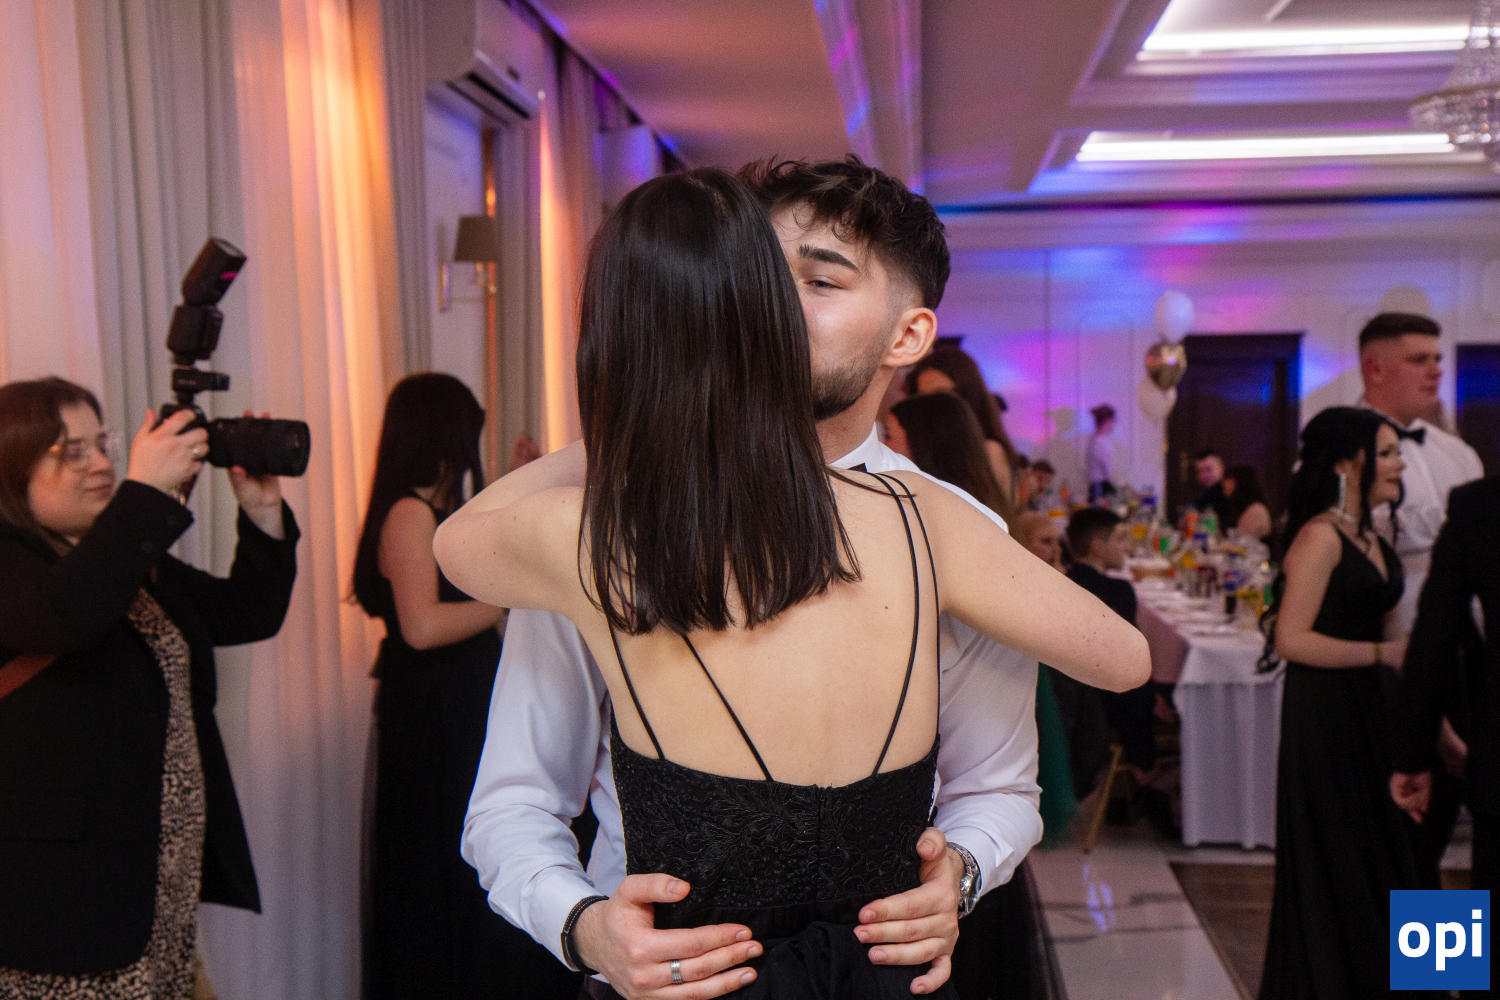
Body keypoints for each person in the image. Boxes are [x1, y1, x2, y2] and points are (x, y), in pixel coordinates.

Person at [438, 168, 1150, 999]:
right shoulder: (608, 524)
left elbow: (998, 788)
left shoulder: (949, 524)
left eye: (818, 282)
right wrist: (583, 925)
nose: (775, 307)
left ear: (908, 335)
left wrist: (959, 871)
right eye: (758, 279)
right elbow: (515, 803)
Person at [0, 377, 298, 994]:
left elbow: (246, 612)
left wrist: (261, 510)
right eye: (72, 451)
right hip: (55, 903)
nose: (101, 464)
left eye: (101, 443)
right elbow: (65, 616)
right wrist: (144, 493)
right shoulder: (19, 564)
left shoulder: (120, 561)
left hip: (152, 880)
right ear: (12, 468)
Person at [353, 374, 576, 999]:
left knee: (456, 866)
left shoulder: (433, 511)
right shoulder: (408, 513)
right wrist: (513, 599)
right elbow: (421, 626)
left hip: (447, 707)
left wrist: (517, 485)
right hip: (435, 714)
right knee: (442, 864)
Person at [1258, 406, 1425, 1000]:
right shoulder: (1319, 537)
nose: (1399, 465)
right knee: (1344, 864)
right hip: (1326, 718)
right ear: (1349, 465)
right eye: (1387, 453)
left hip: (1377, 712)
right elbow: (1290, 639)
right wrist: (1383, 654)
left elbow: (1398, 639)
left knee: (1407, 853)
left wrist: (1429, 718)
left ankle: (1434, 984)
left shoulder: (1374, 537)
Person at [1358, 311, 1483, 888]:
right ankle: (1407, 952)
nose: (1436, 369)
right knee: (1404, 843)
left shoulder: (1460, 456)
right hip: (1390, 664)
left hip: (1466, 660)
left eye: (1437, 358)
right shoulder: (1345, 454)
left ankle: (1444, 949)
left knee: (1451, 845)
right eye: (1418, 359)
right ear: (1375, 368)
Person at [1390, 477, 1500, 895]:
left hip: (1480, 730)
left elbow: (1433, 637)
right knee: (1422, 857)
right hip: (1459, 712)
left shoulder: (1479, 504)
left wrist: (1413, 752)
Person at [1062, 508, 1159, 801]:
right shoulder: (1117, 591)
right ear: (1097, 546)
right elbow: (1127, 660)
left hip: (1078, 695)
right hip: (1109, 701)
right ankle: (1154, 783)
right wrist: (1154, 700)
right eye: (1119, 539)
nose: (1125, 547)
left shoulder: (1065, 582)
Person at [1011, 512, 1078, 847]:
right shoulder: (1018, 579)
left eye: (1056, 542)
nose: (1054, 550)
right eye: (1045, 542)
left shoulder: (1055, 578)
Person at [906, 347, 1021, 505]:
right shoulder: (932, 448)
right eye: (922, 398)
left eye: (942, 395)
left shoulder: (989, 450)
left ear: (968, 395)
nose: (931, 406)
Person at [885, 392, 1013, 520]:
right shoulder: (982, 510)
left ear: (922, 444)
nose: (882, 446)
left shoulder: (932, 513)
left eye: (888, 436)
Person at [1220, 464, 1272, 542]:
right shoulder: (1240, 507)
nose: (1224, 483)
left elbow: (1240, 544)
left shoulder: (1256, 510)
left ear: (1241, 482)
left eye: (1229, 479)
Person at [1085, 405, 1117, 502]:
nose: (1113, 424)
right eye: (1112, 421)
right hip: (1101, 486)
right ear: (1107, 421)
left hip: (1094, 485)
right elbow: (1106, 466)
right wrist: (1112, 483)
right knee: (1101, 509)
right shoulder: (1101, 442)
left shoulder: (1093, 439)